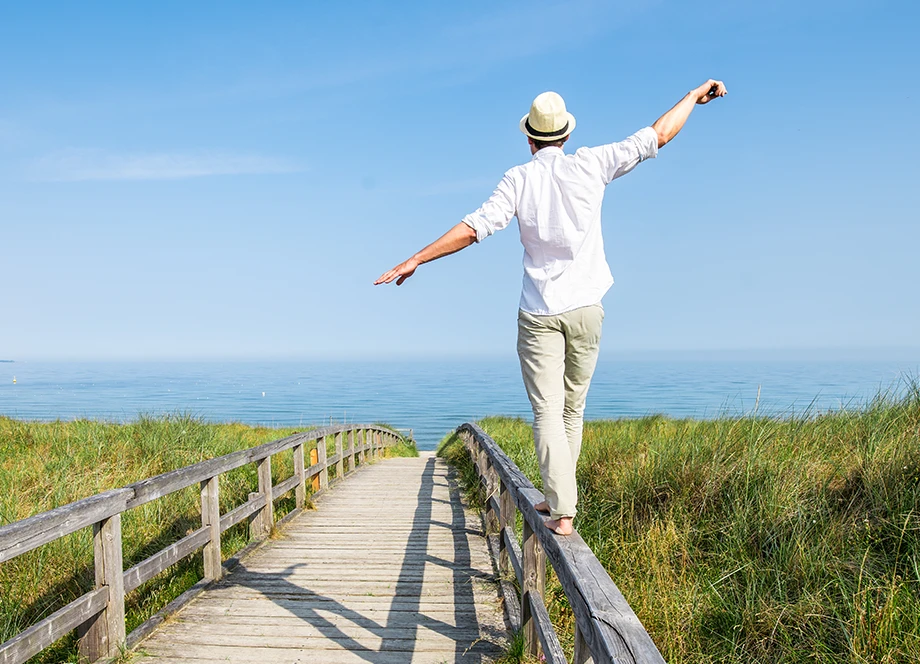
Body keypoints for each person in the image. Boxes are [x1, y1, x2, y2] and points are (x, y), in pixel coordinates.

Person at [375, 79, 727, 535]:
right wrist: (693, 97)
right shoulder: (592, 163)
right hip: (587, 308)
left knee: (546, 412)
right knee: (572, 411)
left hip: (539, 312)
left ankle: (562, 507)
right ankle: (560, 500)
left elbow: (474, 228)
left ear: (529, 138)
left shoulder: (518, 179)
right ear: (566, 135)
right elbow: (658, 134)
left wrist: (417, 257)